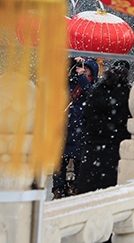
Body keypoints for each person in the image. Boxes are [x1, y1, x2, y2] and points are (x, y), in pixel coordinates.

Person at [76, 60, 131, 194]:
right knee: (111, 193)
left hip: (92, 149)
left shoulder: (96, 91)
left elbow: (85, 117)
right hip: (116, 151)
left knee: (88, 194)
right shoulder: (128, 94)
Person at [54, 57, 97, 197]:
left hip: (81, 131)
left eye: (86, 69)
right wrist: (72, 62)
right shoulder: (70, 83)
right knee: (59, 163)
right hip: (66, 129)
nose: (83, 71)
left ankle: (77, 189)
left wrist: (82, 78)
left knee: (80, 164)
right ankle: (58, 189)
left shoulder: (93, 86)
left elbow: (90, 94)